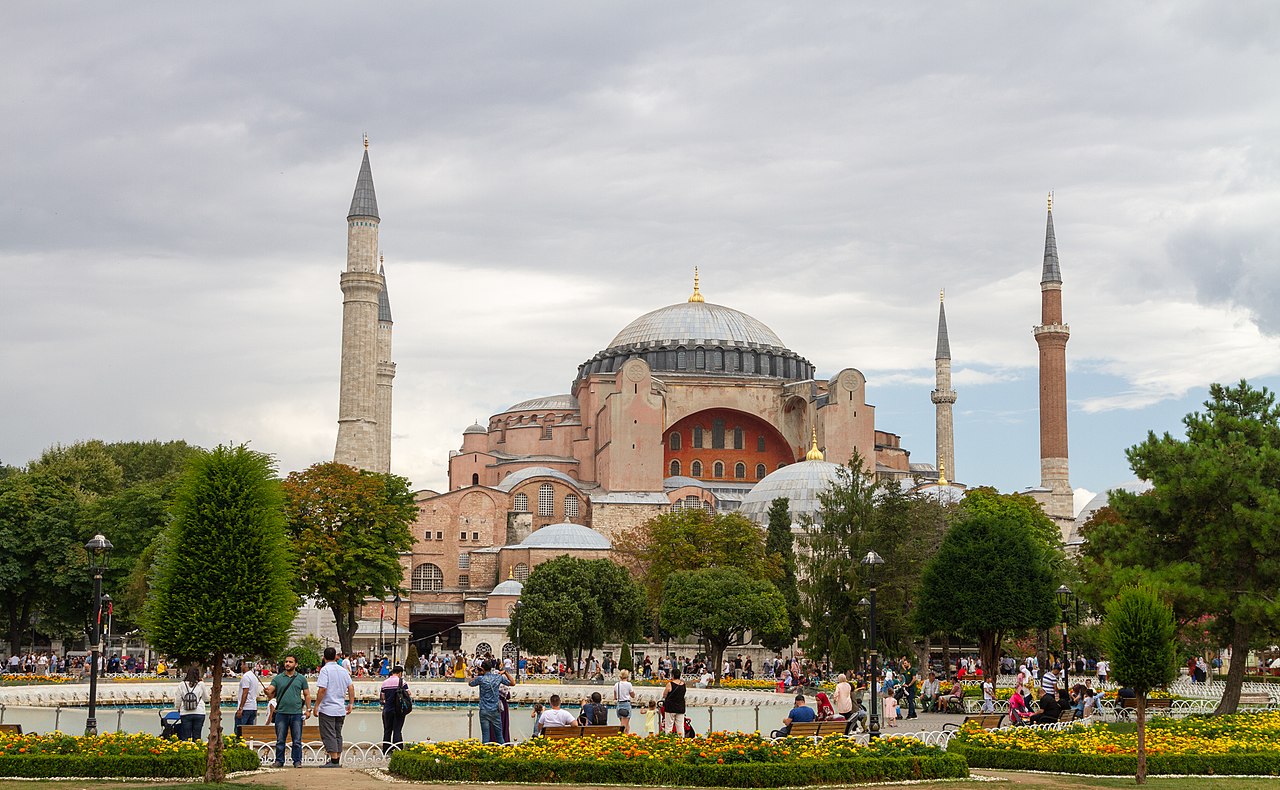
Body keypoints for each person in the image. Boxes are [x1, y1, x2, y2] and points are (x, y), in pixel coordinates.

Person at [314, 646, 355, 767]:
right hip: (340, 708)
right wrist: (351, 703)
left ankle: (333, 759)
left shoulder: (325, 670)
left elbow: (322, 689)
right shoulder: (343, 670)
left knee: (328, 733)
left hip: (327, 708)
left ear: (324, 657)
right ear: (336, 657)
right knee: (337, 733)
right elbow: (351, 687)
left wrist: (316, 705)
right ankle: (336, 759)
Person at [468, 658, 514, 744]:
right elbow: (512, 683)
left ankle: (485, 754)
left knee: (485, 736)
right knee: (499, 736)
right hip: (495, 709)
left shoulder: (480, 679)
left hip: (484, 709)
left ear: (482, 668)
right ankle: (502, 752)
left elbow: (470, 683)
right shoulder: (498, 678)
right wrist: (505, 673)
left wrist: (476, 674)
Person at [174, 665, 210, 741]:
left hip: (185, 713)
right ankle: (197, 750)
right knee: (197, 736)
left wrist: (178, 708)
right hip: (199, 712)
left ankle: (188, 750)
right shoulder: (201, 684)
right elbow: (206, 699)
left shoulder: (182, 685)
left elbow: (178, 700)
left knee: (186, 736)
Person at [380, 664, 408, 753]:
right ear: (400, 673)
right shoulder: (402, 682)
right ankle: (398, 750)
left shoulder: (385, 682)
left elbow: (382, 697)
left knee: (387, 730)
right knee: (397, 730)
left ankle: (386, 750)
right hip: (399, 710)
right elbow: (408, 694)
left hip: (387, 710)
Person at [234, 658, 263, 737]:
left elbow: (245, 692)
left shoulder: (246, 677)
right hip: (253, 707)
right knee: (249, 733)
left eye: (242, 664)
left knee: (239, 732)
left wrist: (240, 708)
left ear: (245, 665)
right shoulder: (254, 676)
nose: (240, 666)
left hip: (245, 708)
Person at [662, 666, 688, 737]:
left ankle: (669, 740)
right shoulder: (683, 684)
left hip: (670, 707)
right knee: (680, 726)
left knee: (669, 726)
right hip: (680, 707)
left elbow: (664, 695)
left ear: (672, 675)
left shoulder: (670, 684)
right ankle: (681, 740)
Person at [613, 669, 636, 734]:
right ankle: (622, 739)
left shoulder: (616, 685)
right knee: (624, 725)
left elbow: (615, 697)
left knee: (626, 724)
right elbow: (632, 695)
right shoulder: (629, 684)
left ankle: (627, 735)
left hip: (619, 705)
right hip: (626, 704)